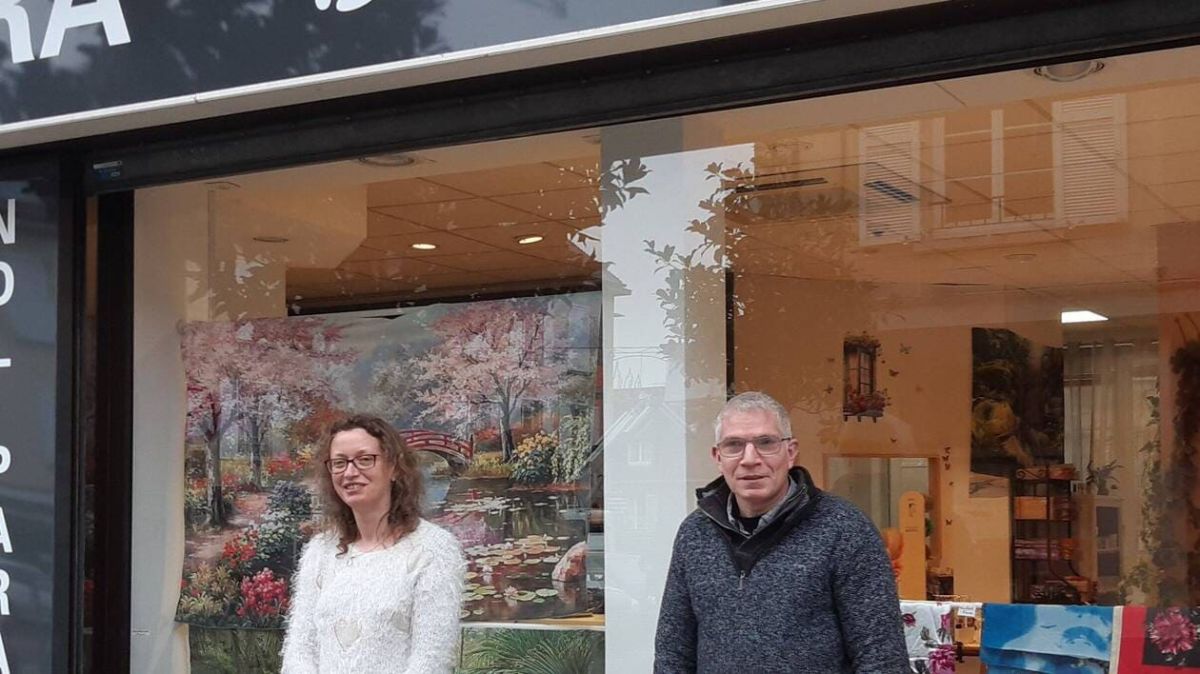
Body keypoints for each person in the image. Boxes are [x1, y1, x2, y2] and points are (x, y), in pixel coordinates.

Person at [654, 391, 909, 673]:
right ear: (718, 457)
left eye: (766, 443)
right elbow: (672, 653)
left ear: (791, 452)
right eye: (734, 445)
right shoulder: (695, 534)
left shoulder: (845, 529)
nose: (749, 459)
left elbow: (882, 657)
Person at [281, 414, 465, 673]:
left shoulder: (434, 550)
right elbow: (299, 650)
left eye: (365, 459)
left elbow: (431, 660)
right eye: (339, 463)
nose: (350, 472)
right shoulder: (319, 550)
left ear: (394, 468)